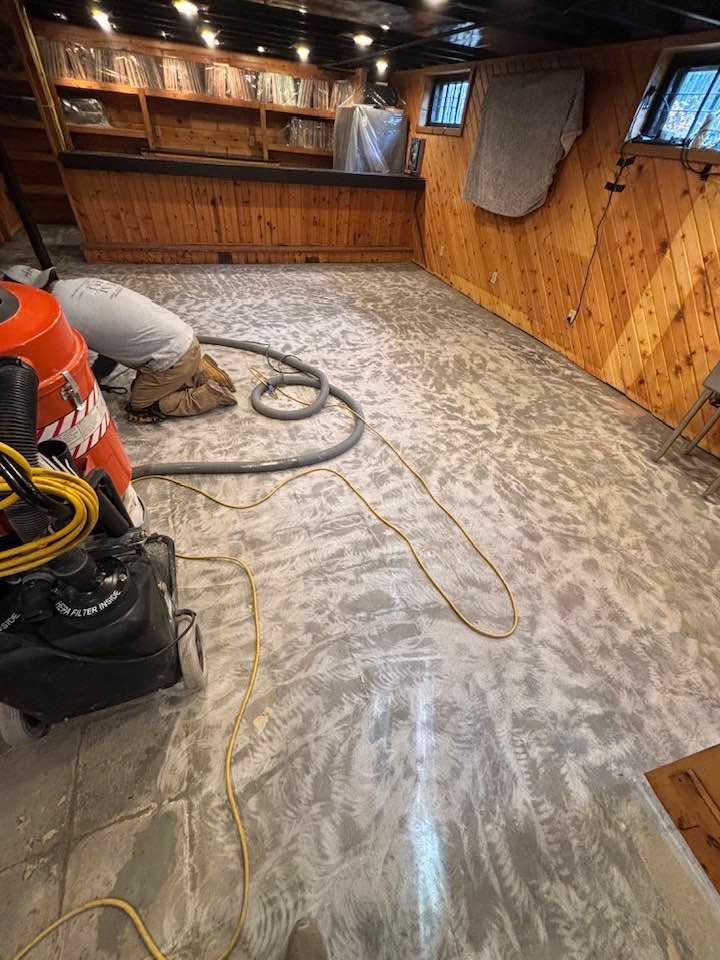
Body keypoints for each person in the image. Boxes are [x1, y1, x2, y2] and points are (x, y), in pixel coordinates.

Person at [2, 264, 236, 422]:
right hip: (184, 338)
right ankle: (200, 371)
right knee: (161, 369)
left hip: (169, 358)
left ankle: (211, 394)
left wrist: (89, 382)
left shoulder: (60, 315)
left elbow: (73, 360)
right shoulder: (82, 283)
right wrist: (96, 376)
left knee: (139, 406)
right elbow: (108, 345)